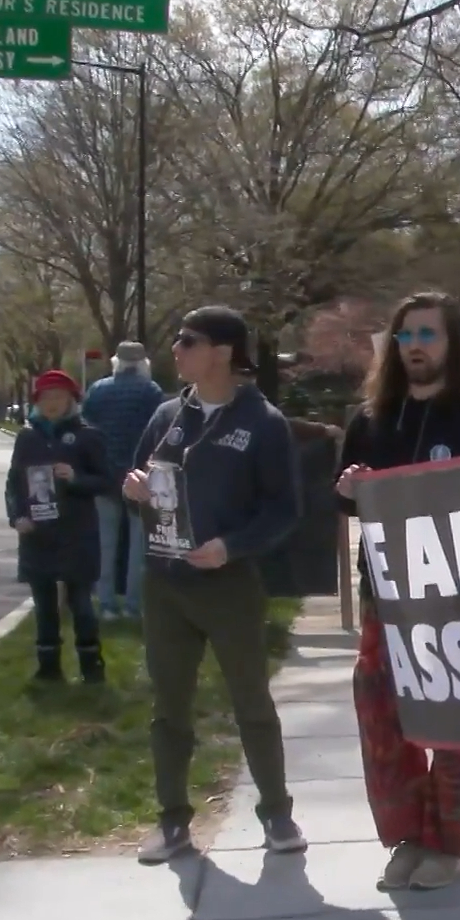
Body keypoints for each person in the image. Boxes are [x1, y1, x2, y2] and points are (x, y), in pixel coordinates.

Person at [334, 292, 460, 893]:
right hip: (385, 599)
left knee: (453, 727)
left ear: (453, 345)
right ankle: (405, 839)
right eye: (407, 335)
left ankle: (449, 845)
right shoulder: (369, 420)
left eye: (429, 335)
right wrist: (350, 487)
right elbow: (341, 498)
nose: (416, 346)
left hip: (458, 602)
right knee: (385, 722)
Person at [122, 306, 304, 864]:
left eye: (188, 341)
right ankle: (173, 822)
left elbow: (284, 509)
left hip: (227, 586)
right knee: (169, 705)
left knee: (251, 701)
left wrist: (231, 546)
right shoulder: (166, 416)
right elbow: (142, 481)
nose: (175, 350)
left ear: (224, 352)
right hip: (166, 582)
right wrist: (135, 494)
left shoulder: (263, 422)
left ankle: (277, 815)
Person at [5, 369, 113, 684]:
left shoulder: (88, 435)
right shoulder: (28, 437)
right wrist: (17, 516)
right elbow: (14, 483)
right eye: (45, 398)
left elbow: (107, 481)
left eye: (59, 397)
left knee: (81, 604)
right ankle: (49, 668)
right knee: (44, 606)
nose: (52, 404)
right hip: (37, 535)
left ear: (72, 400)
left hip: (76, 534)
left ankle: (91, 665)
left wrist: (76, 478)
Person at [80, 341, 166, 619]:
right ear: (143, 364)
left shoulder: (98, 390)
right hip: (141, 477)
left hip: (105, 476)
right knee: (138, 547)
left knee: (105, 544)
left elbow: (87, 428)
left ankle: (105, 604)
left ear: (116, 361)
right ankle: (133, 605)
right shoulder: (151, 392)